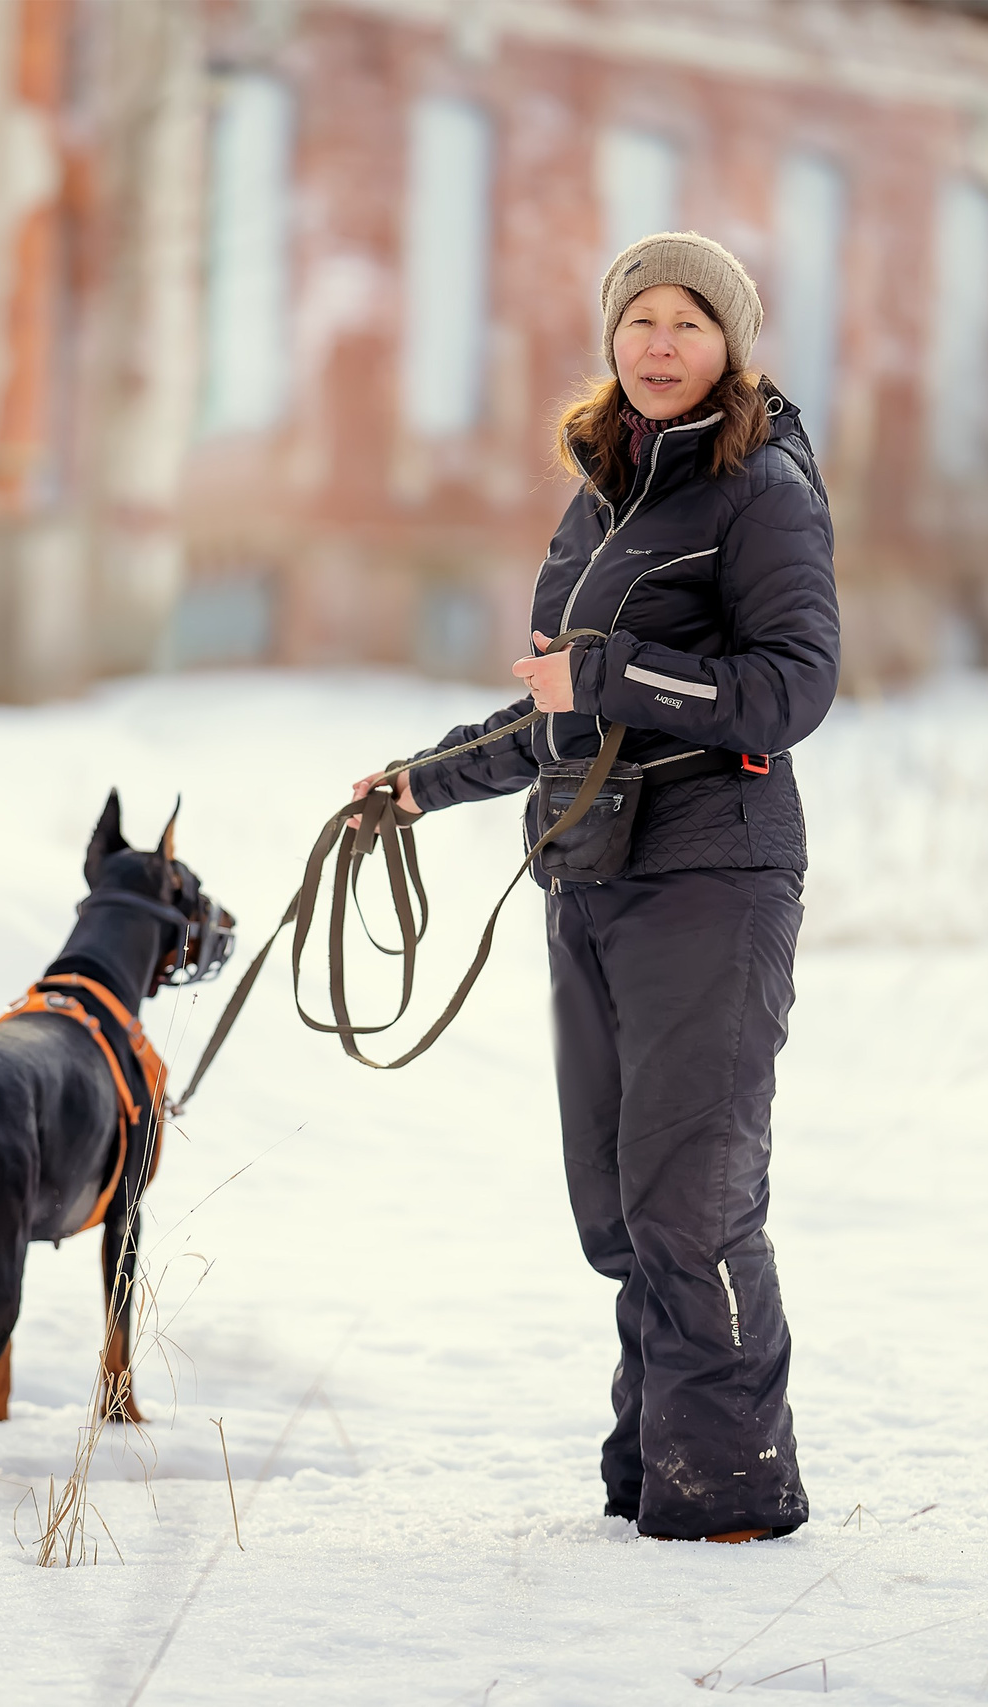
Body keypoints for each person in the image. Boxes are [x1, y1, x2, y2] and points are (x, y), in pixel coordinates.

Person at [354, 232, 838, 1542]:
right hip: (591, 870)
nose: (661, 344)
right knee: (618, 1207)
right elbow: (554, 715)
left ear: (730, 345)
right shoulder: (602, 500)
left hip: (715, 872)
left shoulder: (764, 491)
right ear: (611, 342)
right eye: (641, 321)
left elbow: (792, 691)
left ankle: (731, 1488)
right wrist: (418, 782)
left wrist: (619, 672)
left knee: (694, 1196)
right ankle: (655, 1468)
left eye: (689, 322)